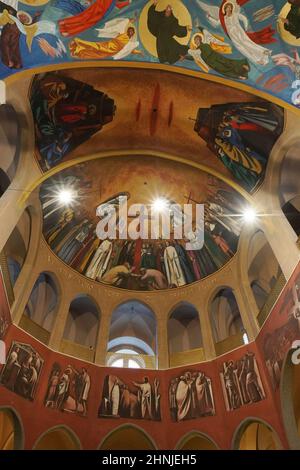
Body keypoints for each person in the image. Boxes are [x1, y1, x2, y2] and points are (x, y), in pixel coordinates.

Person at [69, 19, 142, 60]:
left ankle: (78, 51)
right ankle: (77, 41)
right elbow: (122, 25)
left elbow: (130, 50)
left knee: (95, 55)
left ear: (133, 34)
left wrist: (139, 52)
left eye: (132, 32)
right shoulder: (123, 34)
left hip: (111, 52)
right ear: (128, 31)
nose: (131, 32)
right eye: (130, 31)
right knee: (95, 46)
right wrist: (130, 21)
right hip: (108, 46)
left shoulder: (129, 42)